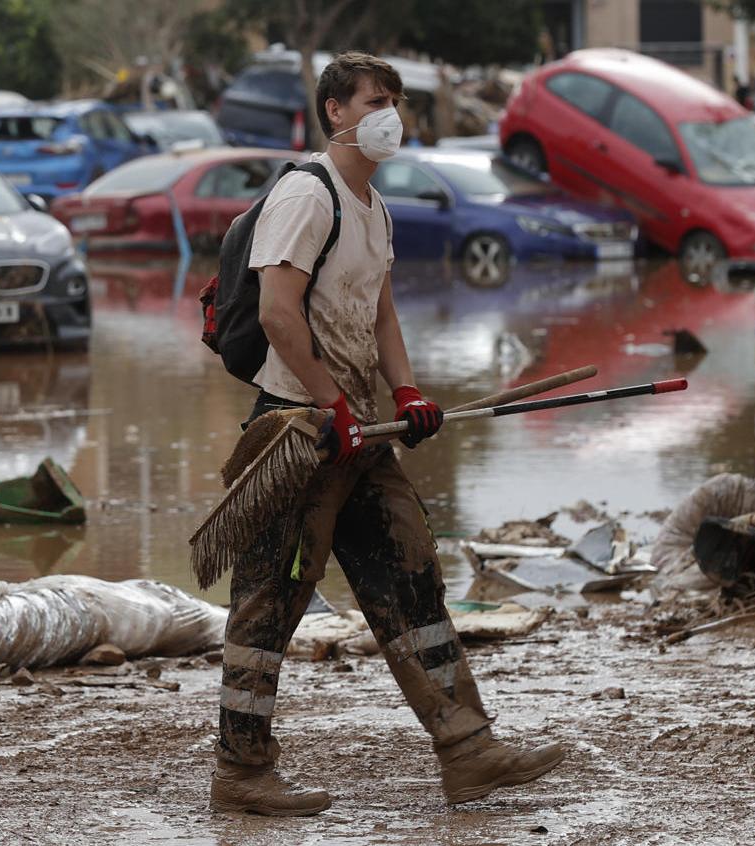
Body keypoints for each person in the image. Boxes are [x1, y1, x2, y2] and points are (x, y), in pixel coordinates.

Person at [210, 52, 566, 817]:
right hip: (294, 430)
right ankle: (240, 771)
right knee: (269, 600)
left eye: (397, 100)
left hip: (359, 429)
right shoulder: (308, 195)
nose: (391, 114)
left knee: (408, 576)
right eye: (376, 100)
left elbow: (379, 314)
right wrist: (331, 403)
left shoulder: (374, 207)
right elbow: (277, 313)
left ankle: (468, 751)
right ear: (334, 111)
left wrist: (405, 392)